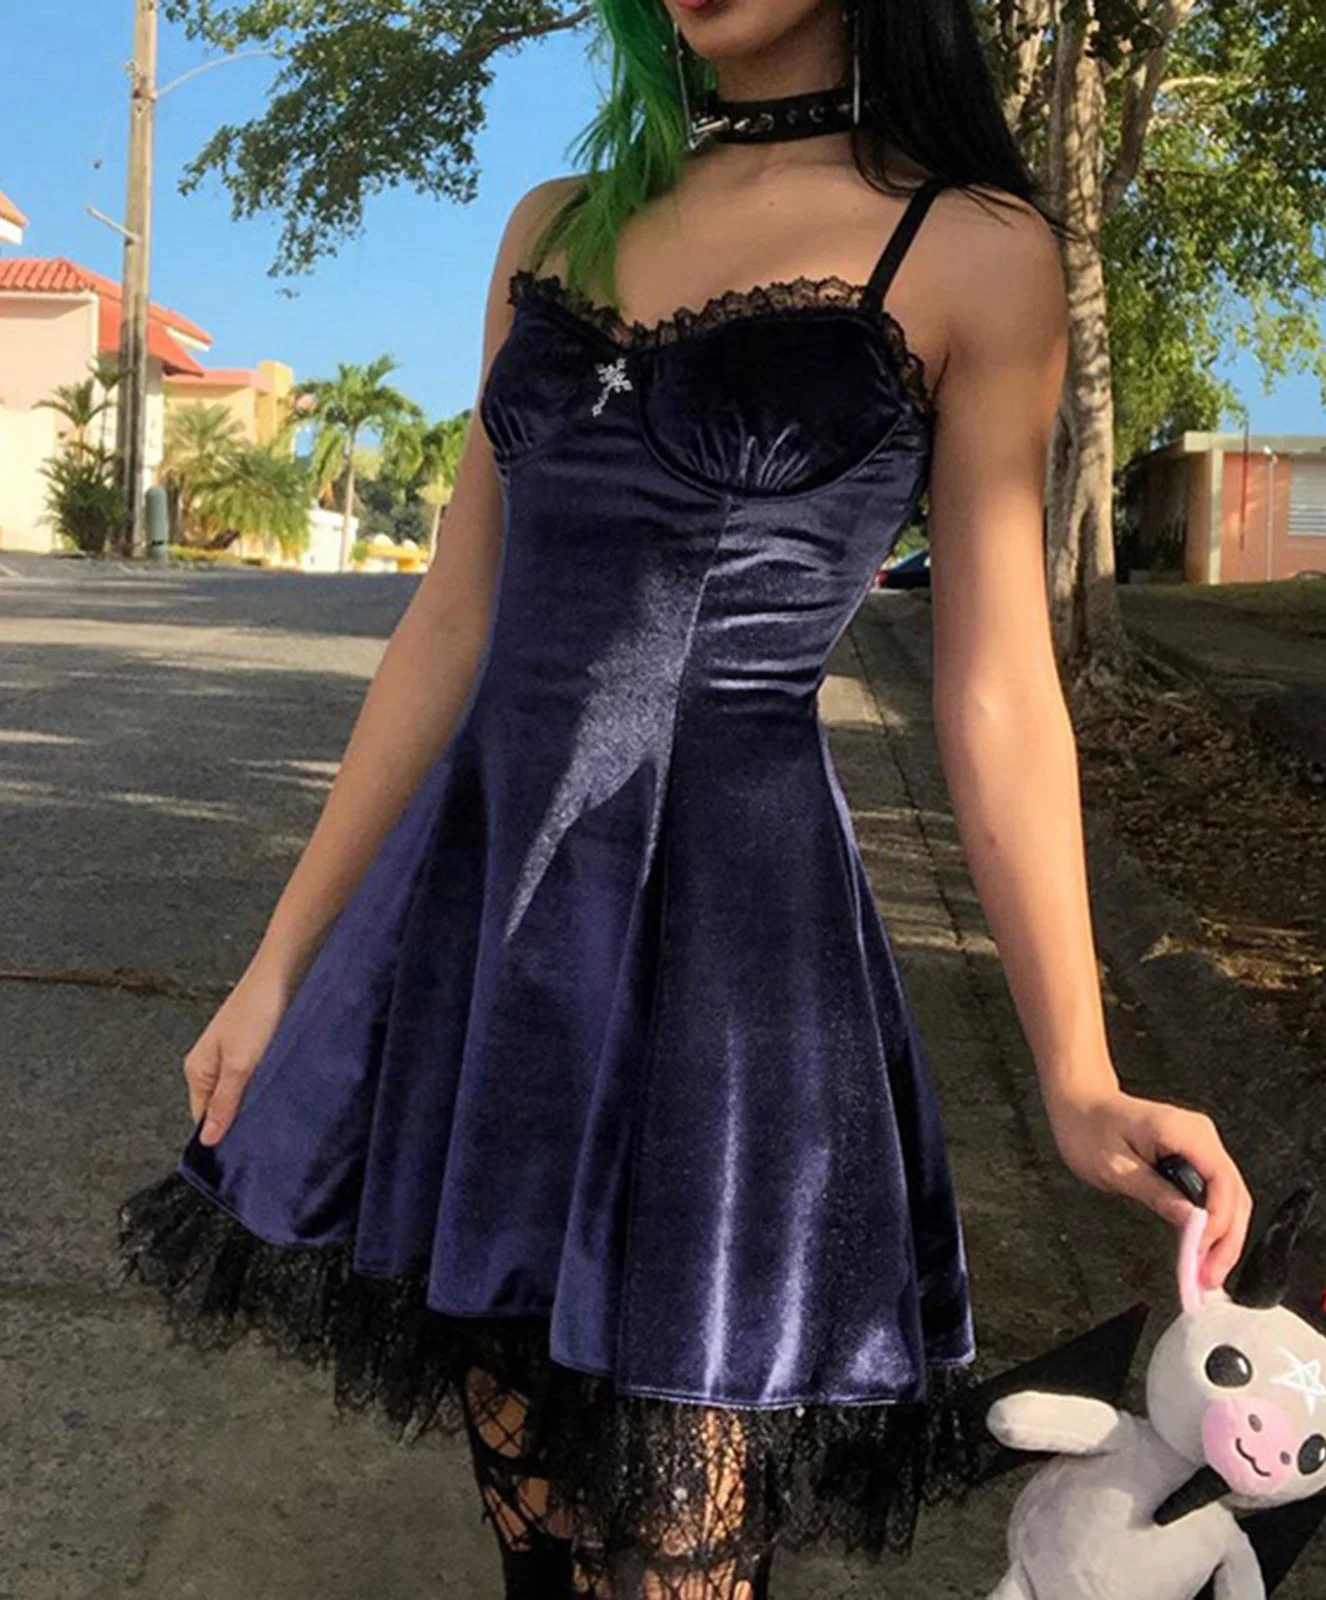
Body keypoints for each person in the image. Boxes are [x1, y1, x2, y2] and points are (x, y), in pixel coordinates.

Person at [116, 1, 1254, 1596]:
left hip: (735, 963)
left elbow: (997, 687)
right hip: (500, 938)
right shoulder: (554, 226)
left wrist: (1076, 1071)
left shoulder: (977, 248)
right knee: (538, 1540)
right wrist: (281, 964)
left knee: (677, 1563)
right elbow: (456, 616)